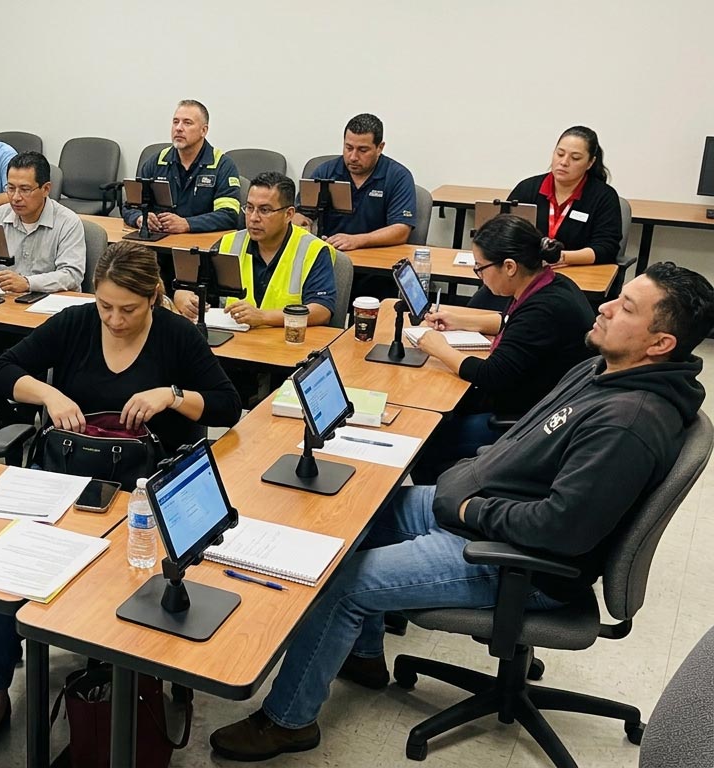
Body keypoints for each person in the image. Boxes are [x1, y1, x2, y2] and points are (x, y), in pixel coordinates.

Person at [208, 261, 714, 762]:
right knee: (354, 514)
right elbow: (526, 441)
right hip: (477, 508)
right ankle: (361, 656)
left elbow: (561, 529)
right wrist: (473, 476)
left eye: (625, 307)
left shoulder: (629, 423)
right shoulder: (602, 369)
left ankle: (287, 721)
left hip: (514, 558)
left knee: (345, 584)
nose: (602, 306)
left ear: (660, 344)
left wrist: (472, 507)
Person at [0, 241, 243, 766]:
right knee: (2, 568)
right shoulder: (78, 323)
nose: (113, 319)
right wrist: (48, 395)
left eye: (128, 310)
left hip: (143, 491)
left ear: (154, 297)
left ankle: (133, 679)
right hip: (70, 478)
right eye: (105, 305)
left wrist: (172, 396)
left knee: (129, 579)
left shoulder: (176, 335)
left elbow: (229, 405)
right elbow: (1, 370)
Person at [411, 215, 595, 481]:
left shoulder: (544, 309)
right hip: (537, 400)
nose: (480, 276)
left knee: (426, 440)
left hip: (526, 420)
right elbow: (511, 322)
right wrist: (460, 320)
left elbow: (491, 375)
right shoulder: (551, 284)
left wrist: (438, 348)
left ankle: (436, 506)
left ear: (509, 266)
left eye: (481, 268)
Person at [0, 151, 86, 429]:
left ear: (46, 189)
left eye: (25, 189)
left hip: (42, 321)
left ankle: (20, 421)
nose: (16, 197)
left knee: (21, 360)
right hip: (0, 312)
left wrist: (28, 283)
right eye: (10, 188)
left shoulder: (68, 222)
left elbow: (73, 275)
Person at [472, 126, 624, 310]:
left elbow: (606, 247)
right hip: (524, 277)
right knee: (480, 305)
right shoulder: (529, 188)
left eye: (575, 158)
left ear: (590, 162)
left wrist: (560, 257)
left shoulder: (603, 197)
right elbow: (502, 235)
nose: (564, 162)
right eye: (560, 154)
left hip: (575, 279)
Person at [174, 171, 337, 329]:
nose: (253, 218)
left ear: (288, 214)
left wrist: (264, 317)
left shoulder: (313, 249)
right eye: (249, 208)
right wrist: (182, 296)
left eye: (264, 210)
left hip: (287, 343)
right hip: (234, 341)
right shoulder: (229, 244)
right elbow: (191, 288)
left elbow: (321, 311)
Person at [123, 100, 242, 235]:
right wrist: (140, 218)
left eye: (187, 123)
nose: (178, 128)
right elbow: (130, 206)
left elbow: (229, 215)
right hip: (158, 243)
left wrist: (188, 224)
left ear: (203, 130)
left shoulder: (223, 165)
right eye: (175, 122)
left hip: (198, 246)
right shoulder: (157, 162)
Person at [302, 113, 418, 251]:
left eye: (363, 150)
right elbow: (301, 214)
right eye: (348, 148)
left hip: (376, 258)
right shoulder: (325, 172)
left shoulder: (398, 176)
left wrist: (358, 240)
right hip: (332, 255)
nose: (353, 157)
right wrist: (301, 224)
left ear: (380, 148)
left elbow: (401, 230)